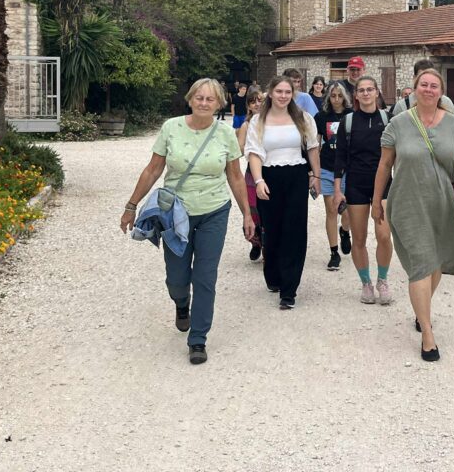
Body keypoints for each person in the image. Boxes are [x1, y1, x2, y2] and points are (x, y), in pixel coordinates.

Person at [120, 78, 253, 365]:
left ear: (219, 104)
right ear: (190, 99)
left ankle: (198, 339)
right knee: (177, 278)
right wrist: (131, 205)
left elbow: (235, 176)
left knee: (205, 277)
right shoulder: (171, 128)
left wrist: (247, 214)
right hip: (175, 214)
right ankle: (182, 304)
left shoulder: (225, 134)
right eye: (199, 97)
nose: (204, 103)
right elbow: (153, 169)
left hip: (214, 211)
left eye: (210, 99)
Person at [374, 69, 454, 362]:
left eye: (434, 86)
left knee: (436, 263)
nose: (428, 89)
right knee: (421, 264)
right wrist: (376, 201)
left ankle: (421, 311)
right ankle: (427, 333)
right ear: (414, 89)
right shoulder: (398, 123)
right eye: (424, 85)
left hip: (443, 202)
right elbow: (384, 165)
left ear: (441, 92)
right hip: (407, 202)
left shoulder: (452, 124)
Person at [245, 77, 322, 310]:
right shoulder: (258, 120)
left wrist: (316, 176)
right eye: (279, 91)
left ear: (293, 94)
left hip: (296, 175)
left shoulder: (303, 118)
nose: (283, 96)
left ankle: (289, 289)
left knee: (295, 231)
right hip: (269, 177)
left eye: (288, 92)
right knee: (272, 229)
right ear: (270, 93)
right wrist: (258, 180)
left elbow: (312, 148)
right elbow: (254, 152)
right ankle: (274, 275)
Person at [333, 76, 394, 304]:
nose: (366, 93)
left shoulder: (388, 120)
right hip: (356, 184)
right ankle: (366, 283)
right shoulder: (348, 122)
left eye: (370, 89)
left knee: (384, 236)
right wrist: (337, 189)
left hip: (384, 183)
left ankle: (382, 280)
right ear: (356, 95)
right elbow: (340, 157)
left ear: (377, 92)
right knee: (359, 238)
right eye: (362, 90)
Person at [315, 81, 354, 269]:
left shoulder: (352, 116)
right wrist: (314, 172)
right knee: (331, 209)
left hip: (348, 169)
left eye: (339, 96)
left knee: (347, 210)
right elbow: (315, 144)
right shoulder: (321, 117)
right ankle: (333, 252)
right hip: (327, 167)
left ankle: (345, 231)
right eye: (333, 96)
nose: (336, 99)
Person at [236, 87, 265, 260]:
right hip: (252, 172)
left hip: (270, 169)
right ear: (248, 105)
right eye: (253, 101)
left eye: (260, 100)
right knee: (253, 208)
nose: (257, 104)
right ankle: (256, 242)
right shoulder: (246, 125)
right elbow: (239, 149)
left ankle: (268, 244)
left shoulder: (272, 121)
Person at [390, 58, 454, 116]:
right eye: (421, 77)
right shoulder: (402, 106)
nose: (427, 89)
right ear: (414, 78)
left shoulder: (446, 102)